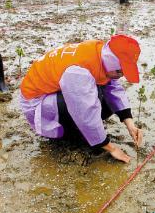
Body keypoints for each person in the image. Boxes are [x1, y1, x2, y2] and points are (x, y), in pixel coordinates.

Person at [20, 35, 143, 163]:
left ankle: (86, 132)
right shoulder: (77, 72)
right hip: (37, 104)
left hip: (58, 90)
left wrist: (130, 125)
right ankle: (72, 134)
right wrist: (111, 148)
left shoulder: (102, 53)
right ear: (112, 63)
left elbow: (114, 88)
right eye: (120, 72)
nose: (120, 77)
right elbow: (85, 111)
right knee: (90, 101)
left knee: (104, 96)